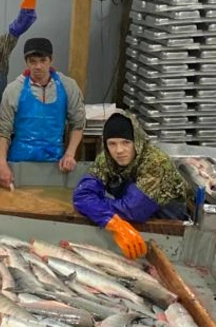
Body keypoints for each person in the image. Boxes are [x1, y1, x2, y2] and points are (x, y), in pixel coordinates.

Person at [73, 111, 190, 259]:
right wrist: (113, 223)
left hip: (170, 228)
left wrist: (96, 206)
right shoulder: (106, 159)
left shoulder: (156, 162)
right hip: (129, 225)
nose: (119, 150)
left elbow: (133, 210)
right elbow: (81, 196)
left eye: (126, 142)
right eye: (112, 144)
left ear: (137, 141)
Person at [0, 37, 85, 190]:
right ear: (26, 62)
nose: (38, 66)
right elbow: (3, 131)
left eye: (43, 60)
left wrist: (70, 154)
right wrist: (2, 164)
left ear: (51, 60)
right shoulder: (13, 90)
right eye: (33, 61)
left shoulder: (68, 86)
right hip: (19, 162)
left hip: (55, 164)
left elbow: (78, 123)